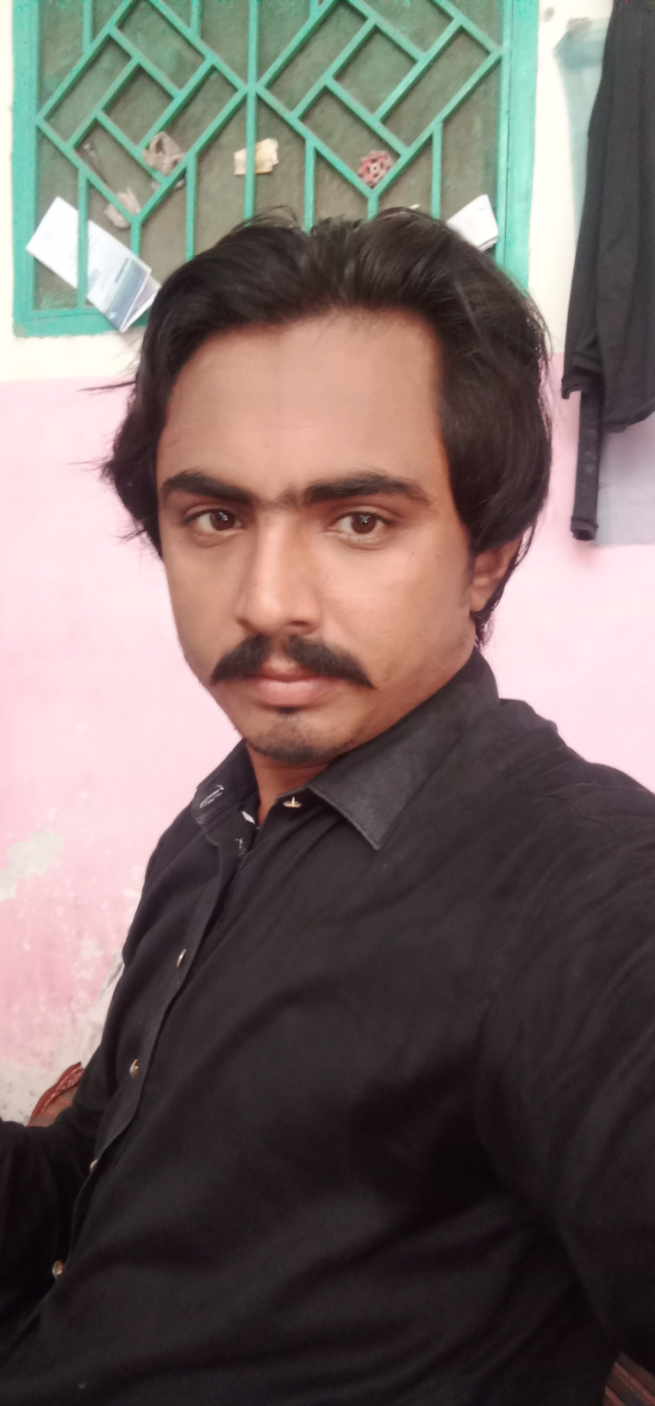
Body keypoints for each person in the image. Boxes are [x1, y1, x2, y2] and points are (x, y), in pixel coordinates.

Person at [1, 209, 654, 1406]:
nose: (267, 600)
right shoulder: (214, 826)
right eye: (215, 516)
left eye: (359, 520)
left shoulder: (581, 884)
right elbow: (97, 1182)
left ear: (488, 553)